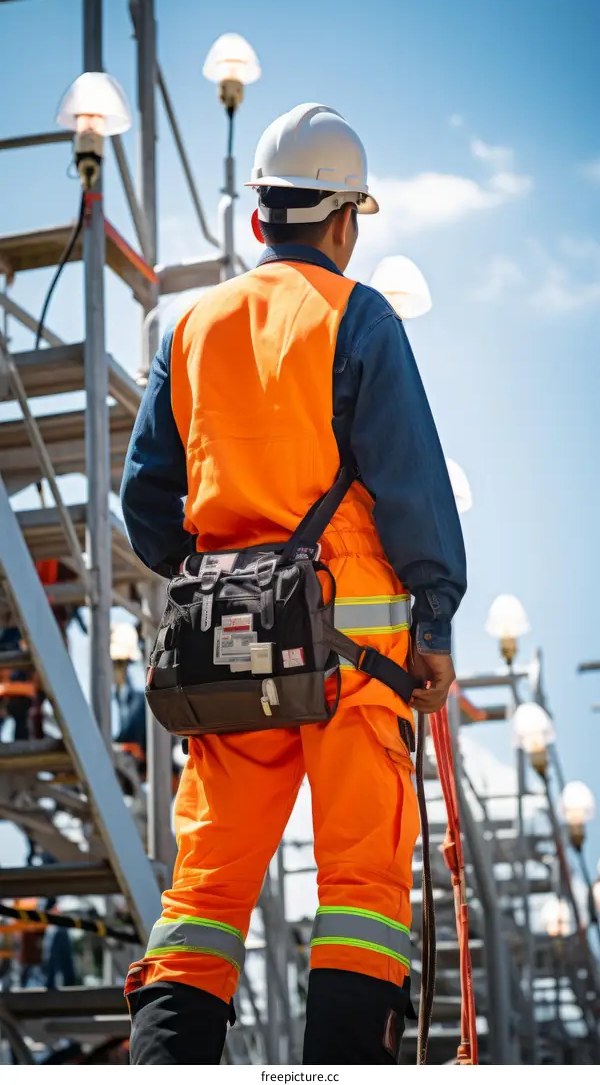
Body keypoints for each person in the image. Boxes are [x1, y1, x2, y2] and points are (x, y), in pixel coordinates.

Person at [120, 103, 466, 1066]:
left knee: (205, 894)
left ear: (260, 217)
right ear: (346, 220)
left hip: (228, 656)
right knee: (360, 884)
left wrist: (222, 574)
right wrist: (432, 621)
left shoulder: (192, 329)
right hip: (354, 660)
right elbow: (411, 485)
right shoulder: (359, 318)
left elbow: (146, 508)